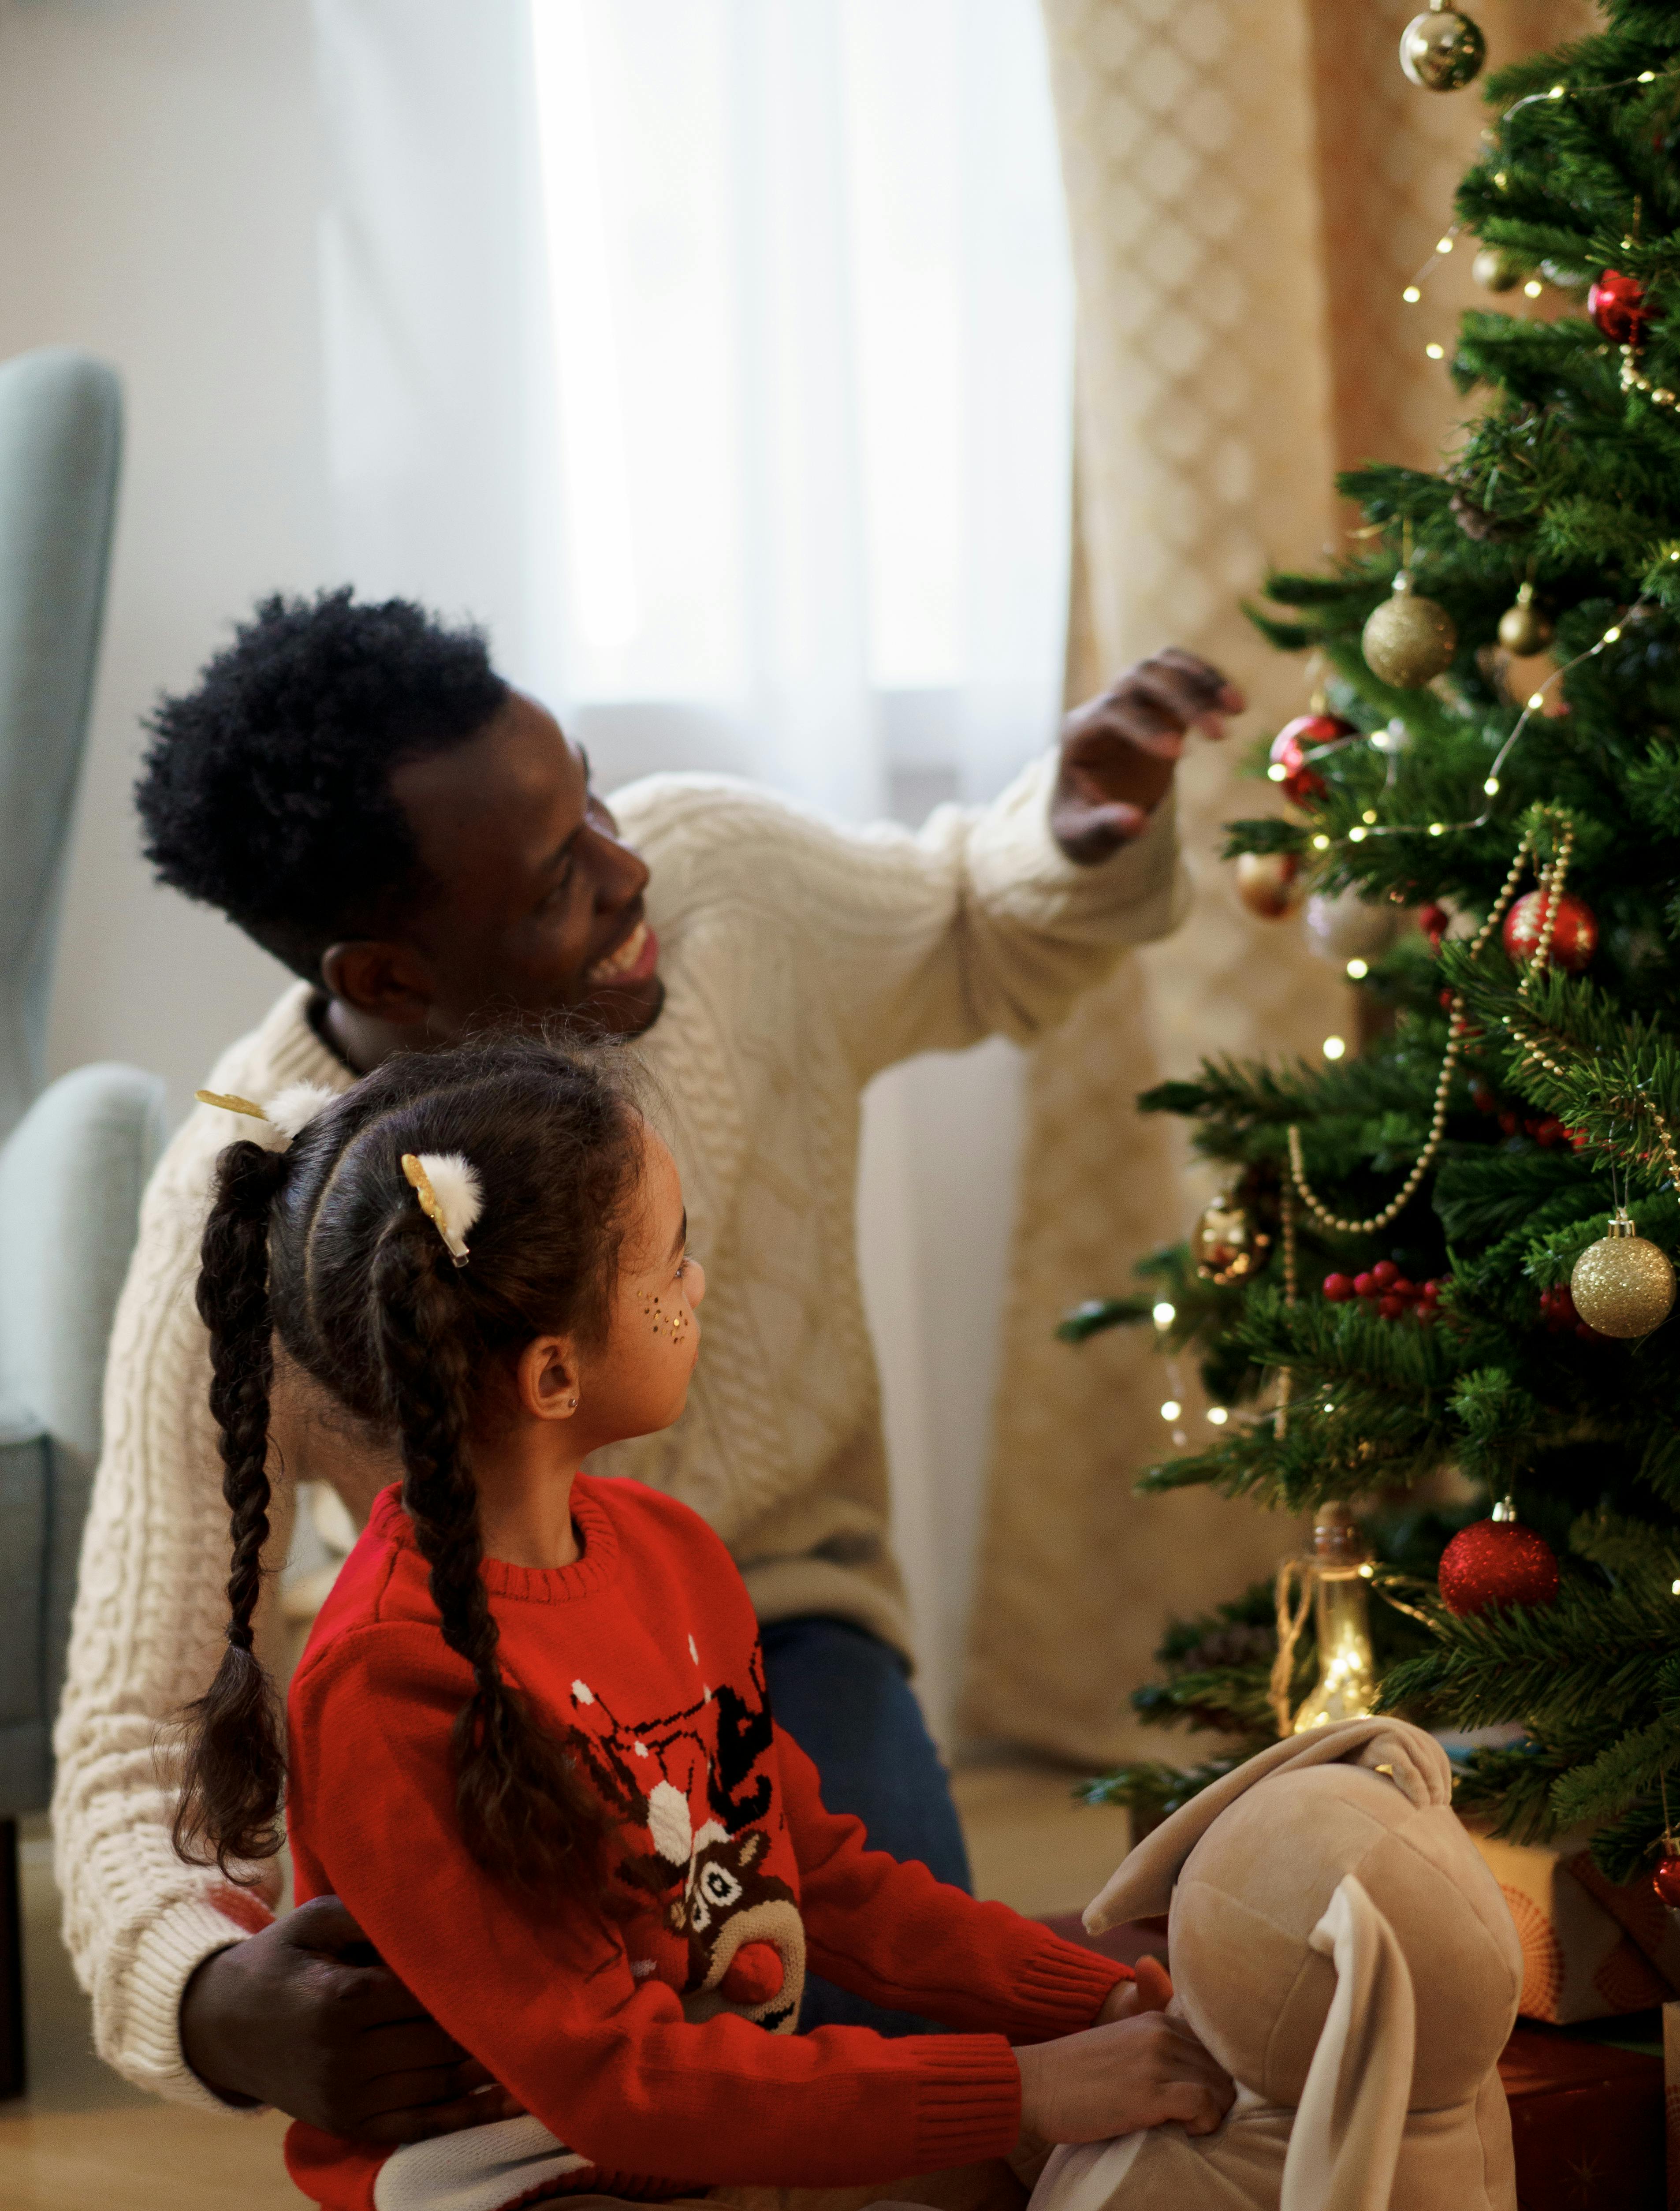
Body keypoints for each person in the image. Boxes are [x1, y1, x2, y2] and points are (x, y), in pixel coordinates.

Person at [52, 590, 1241, 2133]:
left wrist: (1069, 831)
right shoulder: (252, 1198)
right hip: (503, 1698)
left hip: (779, 1622)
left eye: (594, 796)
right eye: (558, 883)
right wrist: (207, 2001)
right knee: (617, 2122)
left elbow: (965, 918)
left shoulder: (716, 883)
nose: (630, 869)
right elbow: (137, 1722)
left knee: (896, 2064)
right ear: (391, 978)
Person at [3, 1041, 1234, 2211]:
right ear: (552, 1371)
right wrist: (1015, 2087)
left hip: (721, 2138)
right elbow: (618, 2082)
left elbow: (815, 1873)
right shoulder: (392, 1681)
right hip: (518, 2196)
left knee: (1137, 2200)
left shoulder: (669, 1555)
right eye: (673, 1255)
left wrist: (1076, 1992)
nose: (700, 1284)